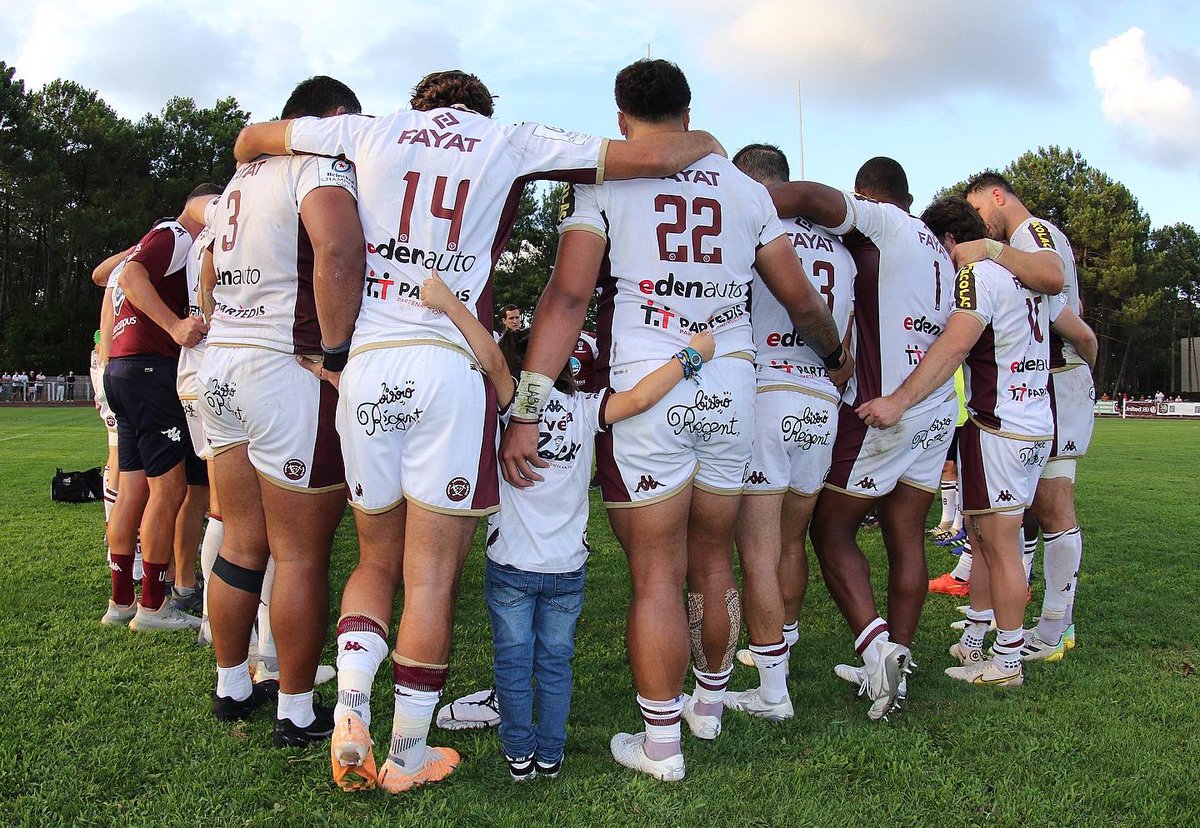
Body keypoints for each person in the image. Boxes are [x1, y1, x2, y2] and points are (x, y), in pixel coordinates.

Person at [234, 68, 725, 792]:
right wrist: (706, 138)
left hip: (370, 363)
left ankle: (347, 710)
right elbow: (655, 157)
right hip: (453, 369)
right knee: (431, 578)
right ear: (479, 107)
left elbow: (252, 137)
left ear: (420, 102)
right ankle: (405, 754)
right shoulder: (509, 138)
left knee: (374, 561)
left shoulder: (366, 129)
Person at [500, 60, 849, 781]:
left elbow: (567, 300)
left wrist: (530, 405)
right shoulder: (747, 190)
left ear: (623, 119)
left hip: (649, 381)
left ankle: (662, 745)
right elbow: (804, 303)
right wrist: (835, 356)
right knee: (712, 559)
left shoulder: (604, 181)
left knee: (656, 572)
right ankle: (710, 706)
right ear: (688, 116)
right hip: (729, 381)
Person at [427, 269, 716, 781]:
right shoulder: (587, 408)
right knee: (556, 665)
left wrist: (448, 302)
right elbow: (643, 397)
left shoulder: (512, 405)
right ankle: (551, 755)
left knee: (513, 665)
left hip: (510, 562)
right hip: (567, 567)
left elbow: (490, 359)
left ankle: (519, 756)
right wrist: (691, 356)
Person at [858, 196, 1096, 687]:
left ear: (950, 241)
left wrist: (900, 400)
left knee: (1001, 545)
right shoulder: (1026, 276)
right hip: (1033, 421)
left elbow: (954, 345)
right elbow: (1080, 331)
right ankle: (976, 638)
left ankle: (1006, 662)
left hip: (999, 426)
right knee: (989, 539)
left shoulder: (978, 276)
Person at [198, 76, 364, 747]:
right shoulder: (317, 163)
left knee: (241, 539)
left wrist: (217, 324)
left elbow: (207, 268)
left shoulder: (242, 174)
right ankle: (295, 710)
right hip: (283, 368)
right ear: (330, 119)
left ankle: (232, 682)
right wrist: (337, 349)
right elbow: (339, 249)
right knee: (299, 554)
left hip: (224, 362)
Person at [767, 158, 957, 720]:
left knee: (829, 529)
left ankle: (876, 652)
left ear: (867, 195)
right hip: (935, 406)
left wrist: (742, 206)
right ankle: (898, 656)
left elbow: (805, 194)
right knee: (906, 535)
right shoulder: (936, 249)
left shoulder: (883, 223)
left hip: (882, 407)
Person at [726, 143, 855, 721]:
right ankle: (782, 645)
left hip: (768, 391)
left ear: (753, 181)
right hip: (820, 398)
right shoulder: (841, 251)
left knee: (756, 547)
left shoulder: (755, 229)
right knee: (790, 538)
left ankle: (772, 688)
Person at [961, 173, 1088, 659]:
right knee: (1018, 512)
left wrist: (990, 252)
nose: (979, 223)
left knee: (1051, 507)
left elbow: (1052, 279)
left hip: (1052, 377)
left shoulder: (1028, 232)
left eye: (980, 209)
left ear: (998, 196)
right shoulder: (1024, 240)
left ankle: (1056, 627)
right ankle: (1009, 612)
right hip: (1046, 379)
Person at [101, 186, 214, 631]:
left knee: (132, 491)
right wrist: (174, 326)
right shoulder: (177, 235)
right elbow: (130, 275)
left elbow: (112, 277)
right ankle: (152, 605)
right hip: (150, 372)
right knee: (169, 491)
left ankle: (121, 600)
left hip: (123, 369)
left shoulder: (169, 243)